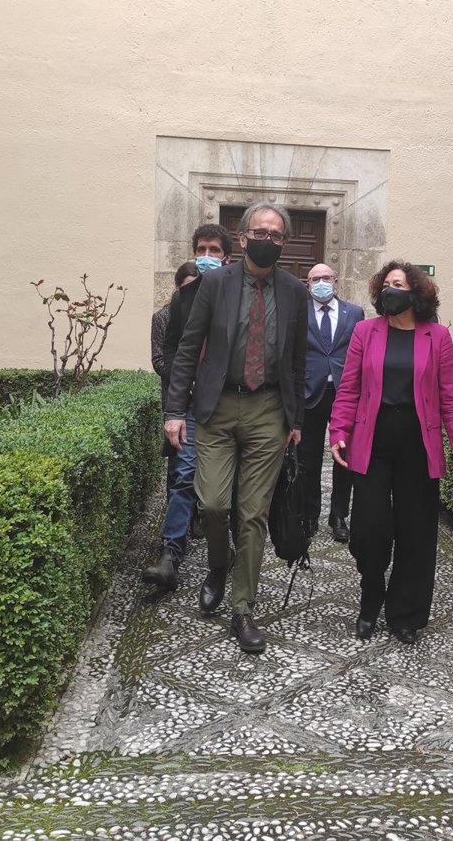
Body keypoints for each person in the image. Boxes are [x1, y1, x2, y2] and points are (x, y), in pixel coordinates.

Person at [164, 203, 307, 653]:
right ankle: (218, 564)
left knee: (252, 514)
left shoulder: (295, 291)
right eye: (260, 232)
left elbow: (298, 361)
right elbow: (188, 348)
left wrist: (296, 419)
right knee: (212, 504)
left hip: (269, 410)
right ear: (243, 238)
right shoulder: (215, 283)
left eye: (276, 235)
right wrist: (174, 410)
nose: (268, 240)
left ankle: (243, 608)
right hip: (218, 406)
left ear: (283, 243)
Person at [329, 261, 453, 644]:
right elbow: (348, 388)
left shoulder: (437, 337)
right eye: (385, 284)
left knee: (416, 532)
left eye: (398, 284)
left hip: (417, 445)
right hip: (372, 442)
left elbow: (450, 399)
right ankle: (371, 595)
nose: (390, 290)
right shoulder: (365, 331)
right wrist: (338, 431)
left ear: (416, 293)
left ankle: (405, 614)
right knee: (369, 528)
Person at [141, 226, 233, 590]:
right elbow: (172, 354)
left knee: (229, 488)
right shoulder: (182, 300)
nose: (207, 256)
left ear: (227, 257)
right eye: (201, 249)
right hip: (193, 406)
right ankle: (171, 555)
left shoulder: (240, 295)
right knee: (183, 475)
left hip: (232, 404)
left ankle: (229, 552)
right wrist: (175, 408)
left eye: (214, 250)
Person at [298, 263, 364, 544]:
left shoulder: (355, 313)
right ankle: (310, 514)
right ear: (308, 284)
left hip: (345, 393)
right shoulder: (299, 312)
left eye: (326, 277)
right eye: (315, 279)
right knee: (308, 457)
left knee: (344, 456)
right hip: (309, 393)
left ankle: (338, 516)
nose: (321, 283)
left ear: (335, 280)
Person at [151, 261, 200, 411]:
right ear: (178, 287)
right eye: (188, 287)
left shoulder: (206, 313)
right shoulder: (162, 317)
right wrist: (183, 378)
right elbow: (158, 359)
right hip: (176, 396)